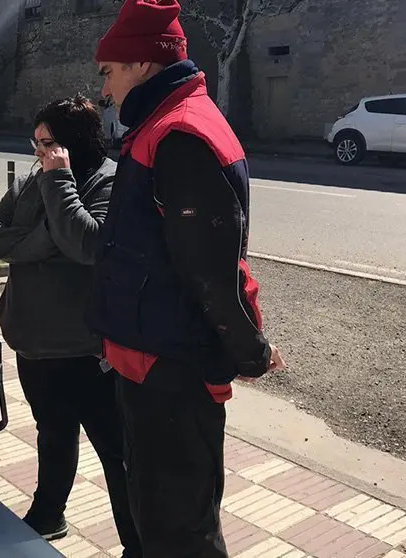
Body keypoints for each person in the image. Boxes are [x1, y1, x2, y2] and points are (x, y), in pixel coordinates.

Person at [89, 1, 287, 556]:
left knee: (180, 530)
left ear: (143, 64)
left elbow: (211, 272)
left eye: (109, 72)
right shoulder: (163, 124)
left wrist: (250, 351)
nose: (105, 90)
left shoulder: (180, 134)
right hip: (152, 359)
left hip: (170, 369)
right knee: (158, 518)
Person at [0, 96, 141, 556]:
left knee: (117, 454)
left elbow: (87, 243)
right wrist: (42, 240)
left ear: (73, 142)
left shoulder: (111, 181)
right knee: (52, 437)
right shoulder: (34, 179)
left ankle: (136, 542)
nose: (39, 153)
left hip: (88, 351)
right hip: (33, 344)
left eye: (48, 143)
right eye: (36, 143)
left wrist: (59, 182)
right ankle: (48, 513)